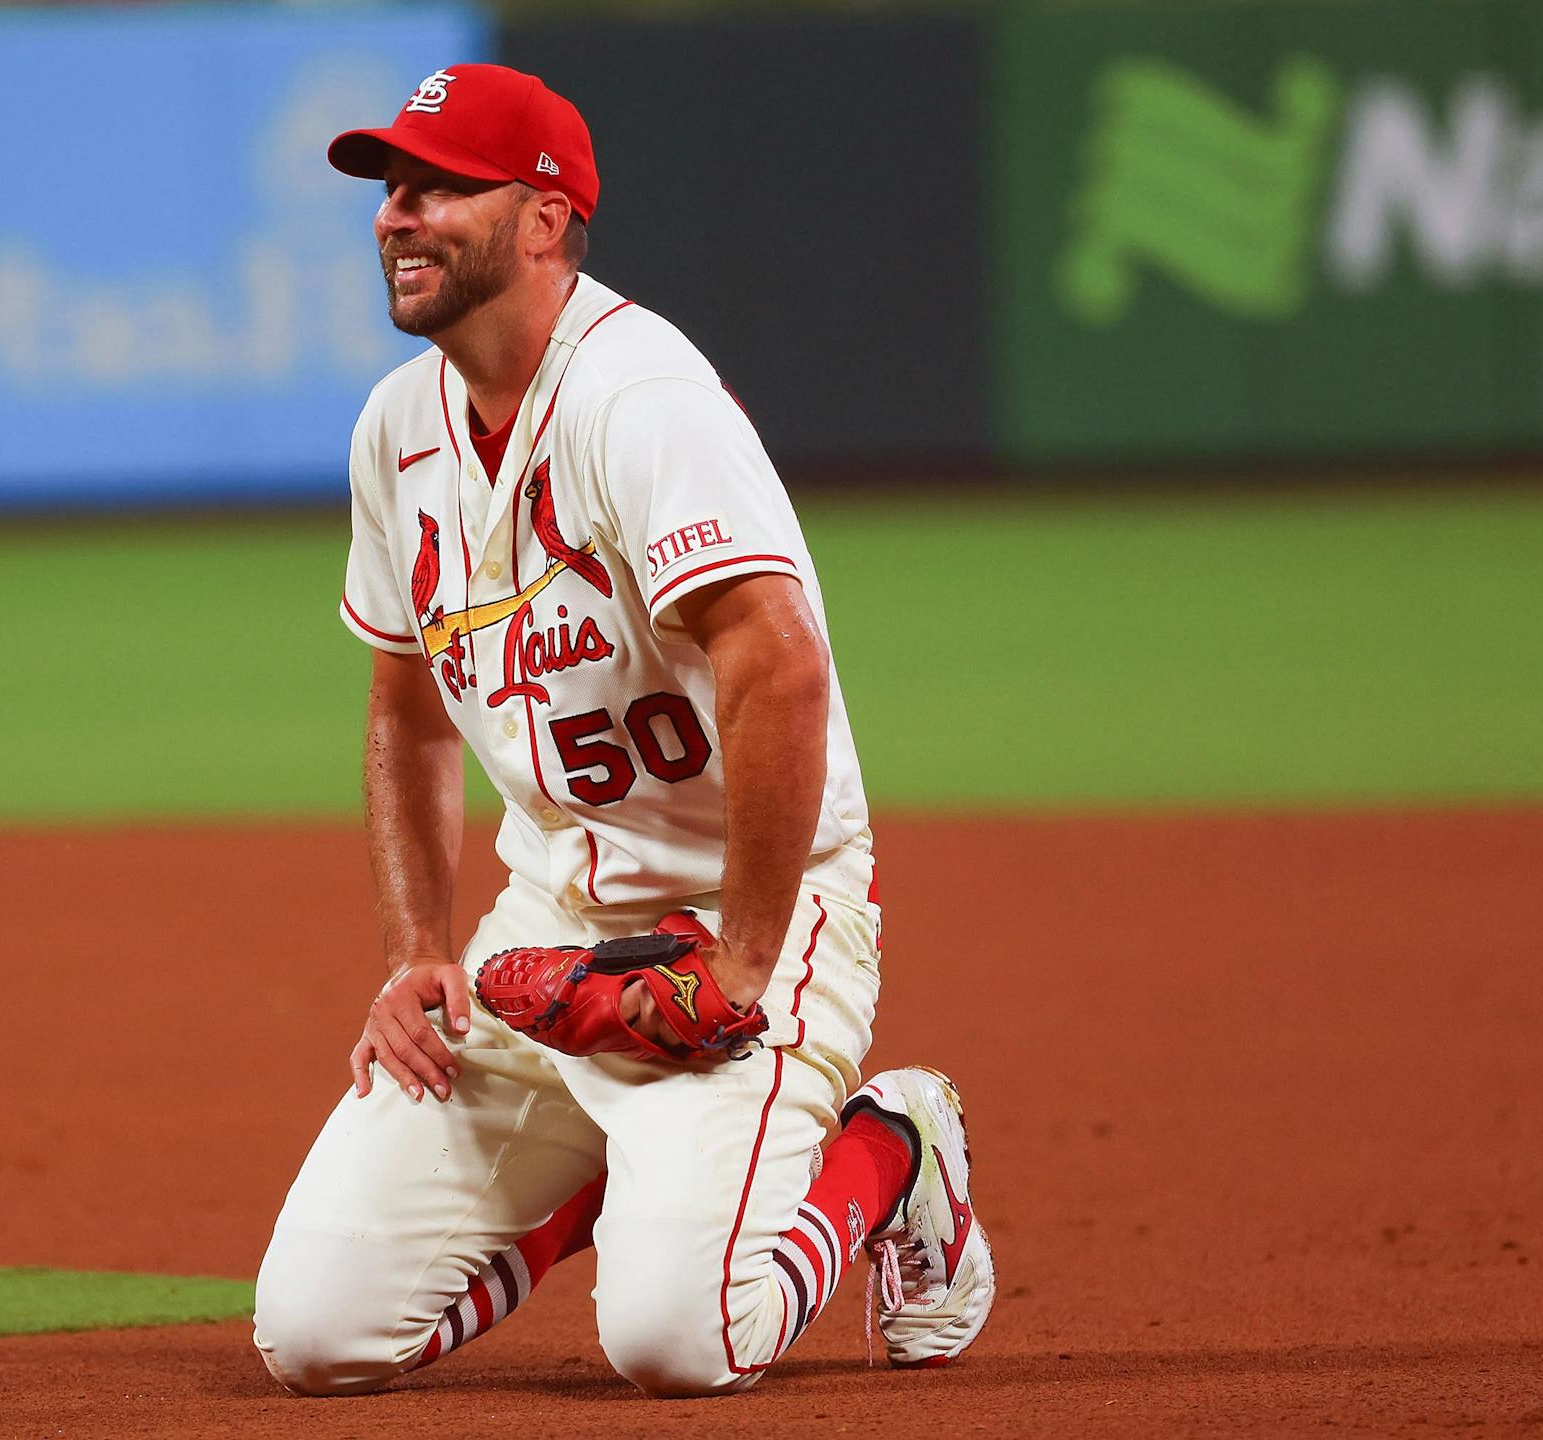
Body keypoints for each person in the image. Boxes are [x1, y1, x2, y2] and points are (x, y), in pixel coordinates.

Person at [252, 63, 995, 1398]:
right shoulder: (394, 434)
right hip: (550, 927)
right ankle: (632, 1170)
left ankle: (896, 1148)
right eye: (389, 188)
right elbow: (408, 711)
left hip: (754, 909)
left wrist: (749, 961)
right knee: (315, 1337)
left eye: (436, 187)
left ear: (544, 219)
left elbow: (778, 663)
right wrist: (421, 946)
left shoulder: (636, 398)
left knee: (675, 1346)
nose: (396, 214)